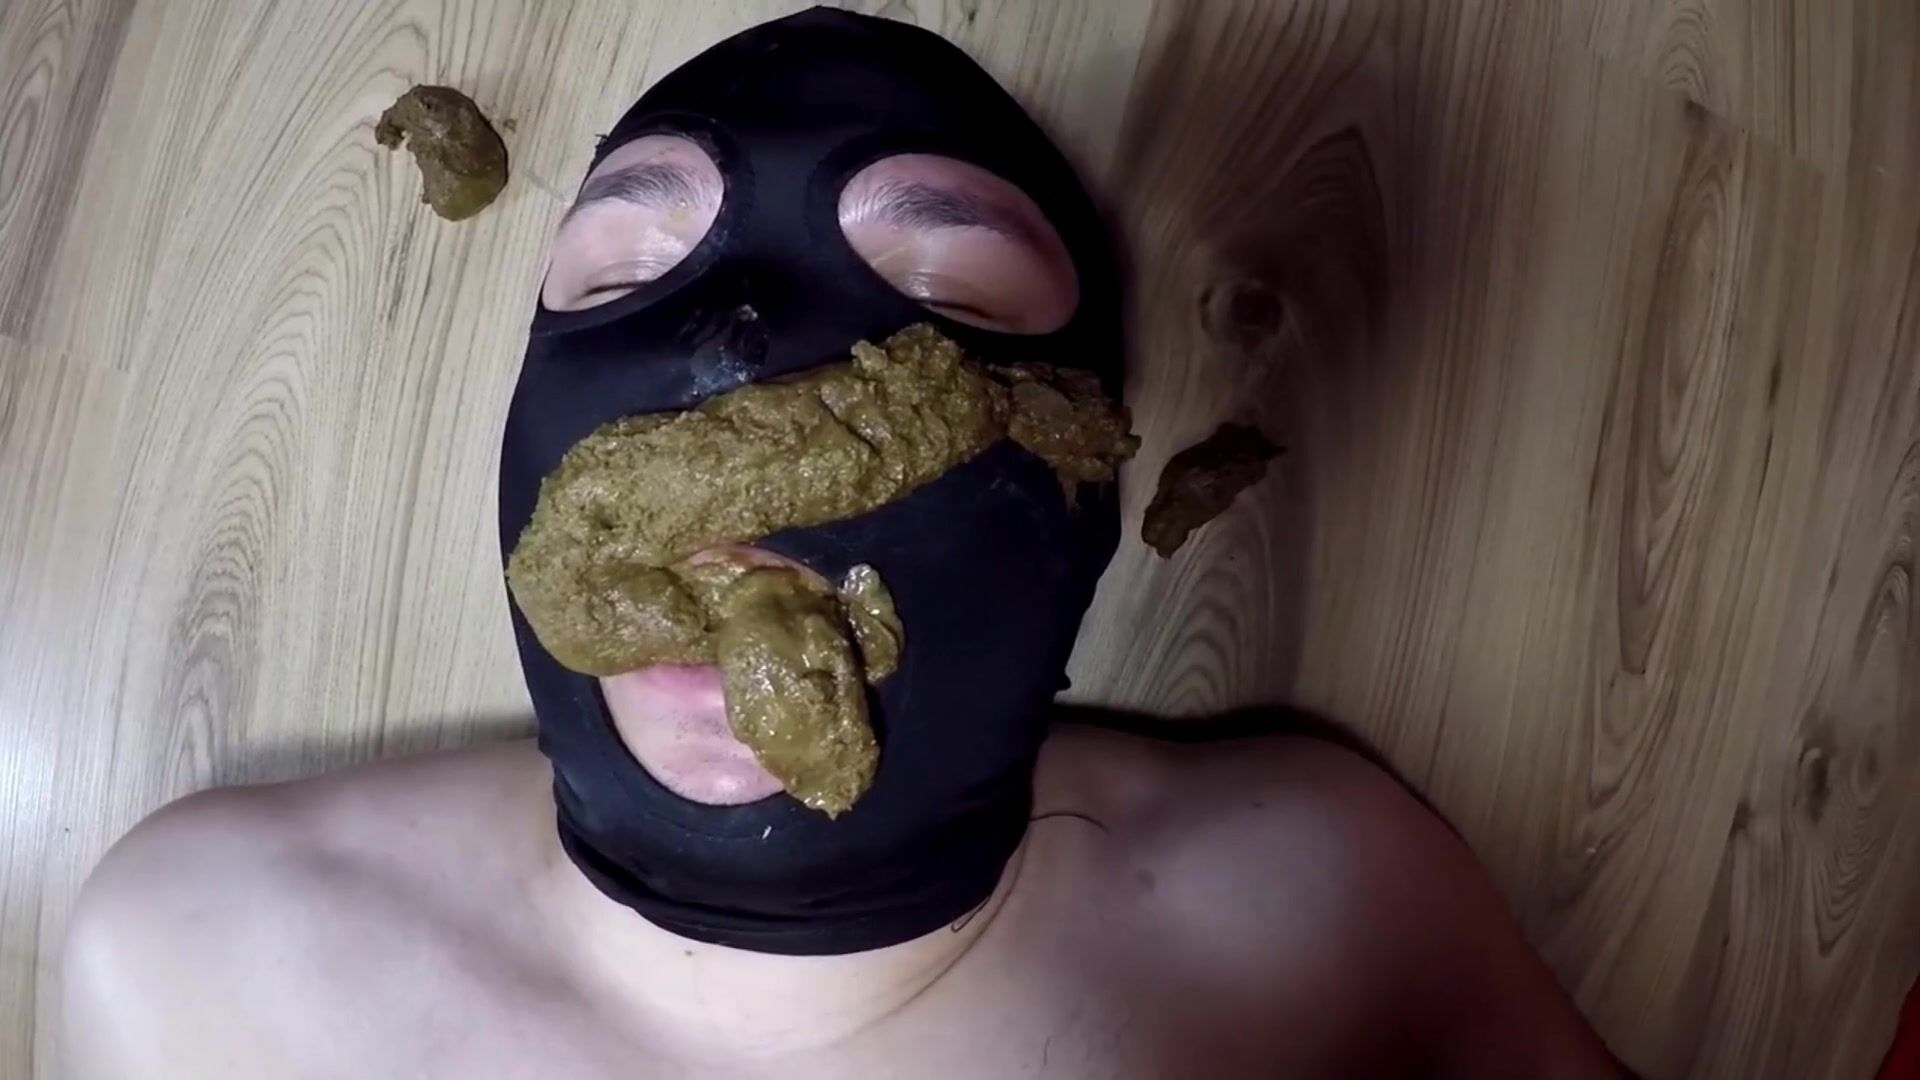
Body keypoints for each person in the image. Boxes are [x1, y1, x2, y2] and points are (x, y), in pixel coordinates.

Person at [60, 9, 1626, 1077]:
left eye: (947, 290)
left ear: (1091, 478)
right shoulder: (194, 965)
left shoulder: (1334, 899)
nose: (739, 343)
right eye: (616, 282)